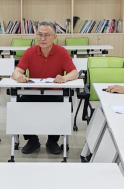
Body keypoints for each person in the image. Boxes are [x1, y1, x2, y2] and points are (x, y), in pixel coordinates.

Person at [11, 21, 79, 155]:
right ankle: (32, 140)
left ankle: (52, 141)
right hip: (33, 93)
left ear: (54, 37)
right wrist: (19, 76)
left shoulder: (61, 52)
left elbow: (74, 73)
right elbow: (16, 71)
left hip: (55, 93)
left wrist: (64, 78)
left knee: (62, 105)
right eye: (40, 34)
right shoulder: (30, 51)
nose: (42, 38)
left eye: (47, 35)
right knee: (20, 103)